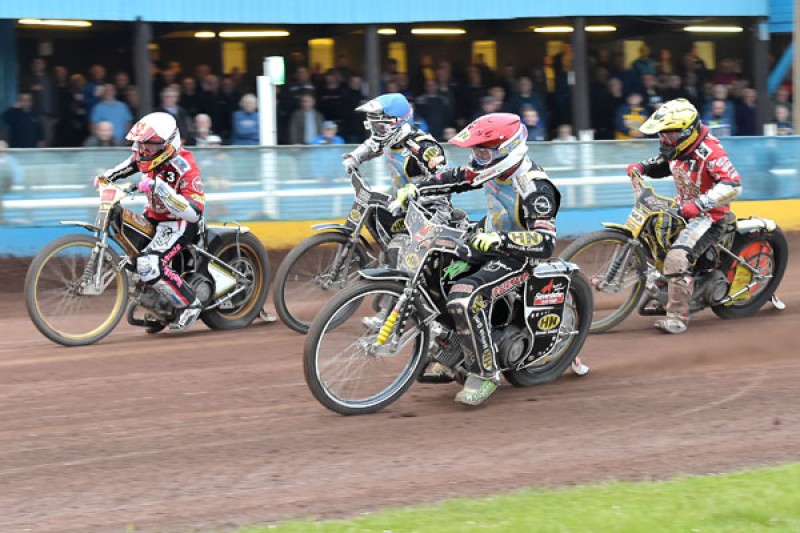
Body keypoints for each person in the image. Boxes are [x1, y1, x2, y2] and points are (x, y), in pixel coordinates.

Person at [395, 112, 587, 406]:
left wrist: (502, 240)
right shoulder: (491, 169)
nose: (477, 159)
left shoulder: (535, 187)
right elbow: (457, 177)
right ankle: (455, 346)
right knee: (437, 272)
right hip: (486, 239)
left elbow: (546, 242)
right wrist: (417, 189)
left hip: (517, 255)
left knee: (464, 296)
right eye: (476, 152)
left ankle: (485, 372)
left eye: (483, 152)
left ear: (507, 149)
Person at [626, 98, 741, 334]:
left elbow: (733, 185)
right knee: (654, 234)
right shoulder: (679, 147)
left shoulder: (711, 152)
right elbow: (665, 163)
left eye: (669, 135)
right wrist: (642, 167)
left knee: (676, 258)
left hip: (709, 217)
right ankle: (665, 285)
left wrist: (699, 205)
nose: (664, 140)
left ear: (686, 132)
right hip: (683, 209)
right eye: (662, 135)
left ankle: (678, 317)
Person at [96, 112, 206, 330]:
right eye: (141, 144)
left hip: (178, 223)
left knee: (149, 264)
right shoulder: (143, 155)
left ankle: (190, 303)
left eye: (149, 145)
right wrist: (105, 178)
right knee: (130, 262)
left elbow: (195, 211)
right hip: (153, 217)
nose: (143, 150)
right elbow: (125, 166)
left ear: (167, 144)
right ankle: (159, 304)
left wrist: (161, 189)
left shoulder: (185, 166)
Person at [342, 92, 446, 193]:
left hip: (425, 202)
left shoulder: (423, 147)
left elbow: (443, 180)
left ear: (399, 123)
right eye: (374, 126)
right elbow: (372, 145)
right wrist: (354, 157)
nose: (377, 132)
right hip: (400, 197)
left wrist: (417, 192)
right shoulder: (391, 141)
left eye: (381, 127)